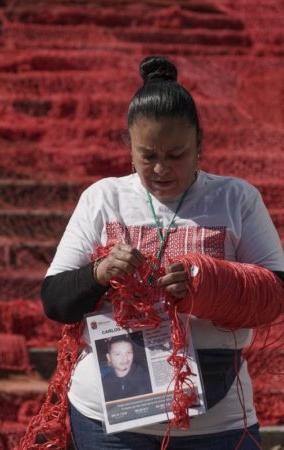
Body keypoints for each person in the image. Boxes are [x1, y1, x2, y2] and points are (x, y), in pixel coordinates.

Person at [41, 55, 284, 450]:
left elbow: (276, 292)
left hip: (217, 424)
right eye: (147, 156)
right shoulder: (103, 198)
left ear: (200, 145)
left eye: (176, 155)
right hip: (109, 424)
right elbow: (54, 300)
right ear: (128, 147)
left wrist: (205, 285)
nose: (160, 169)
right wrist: (99, 272)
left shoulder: (236, 198)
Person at [102, 335, 152, 402]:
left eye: (128, 352)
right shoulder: (105, 382)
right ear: (108, 357)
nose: (125, 358)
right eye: (118, 354)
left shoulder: (146, 376)